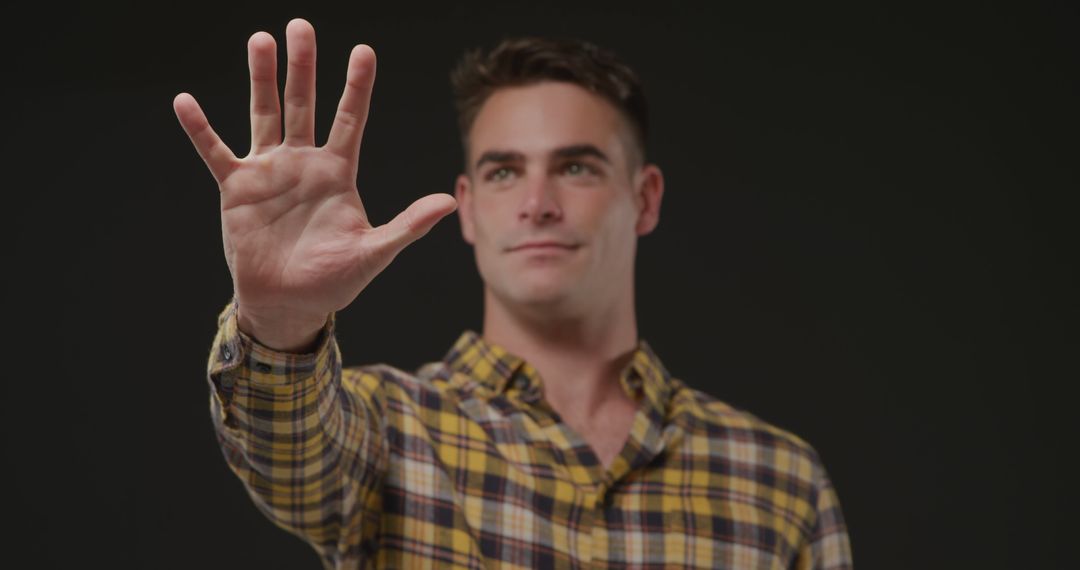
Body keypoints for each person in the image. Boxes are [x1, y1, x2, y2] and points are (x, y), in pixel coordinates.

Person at [175, 17, 853, 570]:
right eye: (504, 172)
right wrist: (282, 319)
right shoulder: (389, 435)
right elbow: (290, 453)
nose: (537, 204)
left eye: (577, 167)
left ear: (644, 199)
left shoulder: (777, 481)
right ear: (467, 208)